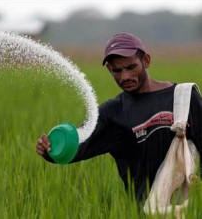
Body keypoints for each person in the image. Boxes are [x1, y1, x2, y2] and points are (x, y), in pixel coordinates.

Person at [35, 32, 202, 200]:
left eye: (131, 67)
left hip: (190, 207)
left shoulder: (184, 97)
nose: (125, 77)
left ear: (146, 61)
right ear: (109, 69)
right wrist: (49, 149)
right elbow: (77, 146)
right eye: (117, 70)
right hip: (144, 211)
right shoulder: (113, 113)